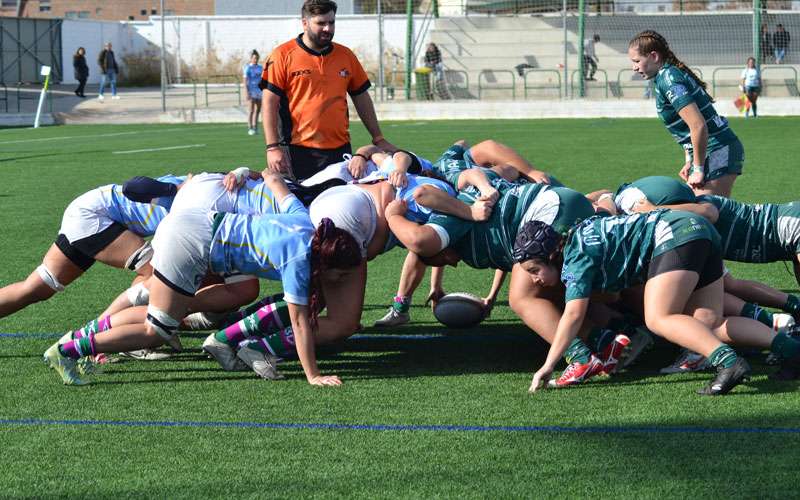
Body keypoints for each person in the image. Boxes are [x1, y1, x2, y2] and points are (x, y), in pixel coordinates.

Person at [44, 173, 359, 387]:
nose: (342, 280)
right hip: (191, 244)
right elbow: (300, 324)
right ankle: (68, 350)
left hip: (195, 225)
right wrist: (313, 375)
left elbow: (273, 179)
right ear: (325, 261)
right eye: (341, 274)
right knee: (156, 331)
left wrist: (243, 170)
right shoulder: (298, 261)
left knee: (171, 314)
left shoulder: (305, 221)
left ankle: (81, 337)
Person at [522, 213, 800, 396]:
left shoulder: (575, 258)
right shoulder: (577, 235)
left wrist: (548, 365)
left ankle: (729, 363)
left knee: (658, 318)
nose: (534, 279)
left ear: (551, 253)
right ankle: (793, 351)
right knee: (708, 325)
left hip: (675, 237)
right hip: (697, 229)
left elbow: (573, 315)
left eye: (534, 269)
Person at [0, 175, 185, 320]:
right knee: (157, 274)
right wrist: (175, 189)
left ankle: (129, 327)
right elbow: (132, 186)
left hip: (89, 210)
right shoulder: (198, 193)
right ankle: (106, 333)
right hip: (95, 215)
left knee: (37, 288)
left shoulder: (205, 187)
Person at [261, 0, 396, 181]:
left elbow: (361, 98)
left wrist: (378, 137)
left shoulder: (346, 56)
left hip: (340, 149)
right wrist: (272, 147)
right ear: (305, 23)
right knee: (303, 204)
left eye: (331, 22)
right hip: (297, 149)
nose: (327, 28)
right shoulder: (282, 55)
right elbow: (269, 103)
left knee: (337, 203)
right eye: (321, 23)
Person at [628, 30, 744, 198]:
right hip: (714, 150)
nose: (634, 67)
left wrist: (698, 169)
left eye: (637, 61)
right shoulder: (665, 76)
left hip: (719, 150)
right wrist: (690, 159)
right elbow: (687, 126)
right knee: (706, 213)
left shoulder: (669, 79)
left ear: (654, 56)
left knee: (707, 213)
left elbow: (697, 125)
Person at [243, 50, 263, 136]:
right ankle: (250, 127)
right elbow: (245, 81)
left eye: (257, 58)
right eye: (254, 58)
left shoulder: (260, 67)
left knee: (257, 110)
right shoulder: (248, 67)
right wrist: (246, 92)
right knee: (251, 110)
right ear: (251, 58)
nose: (255, 59)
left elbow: (263, 79)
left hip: (259, 91)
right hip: (251, 91)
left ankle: (255, 127)